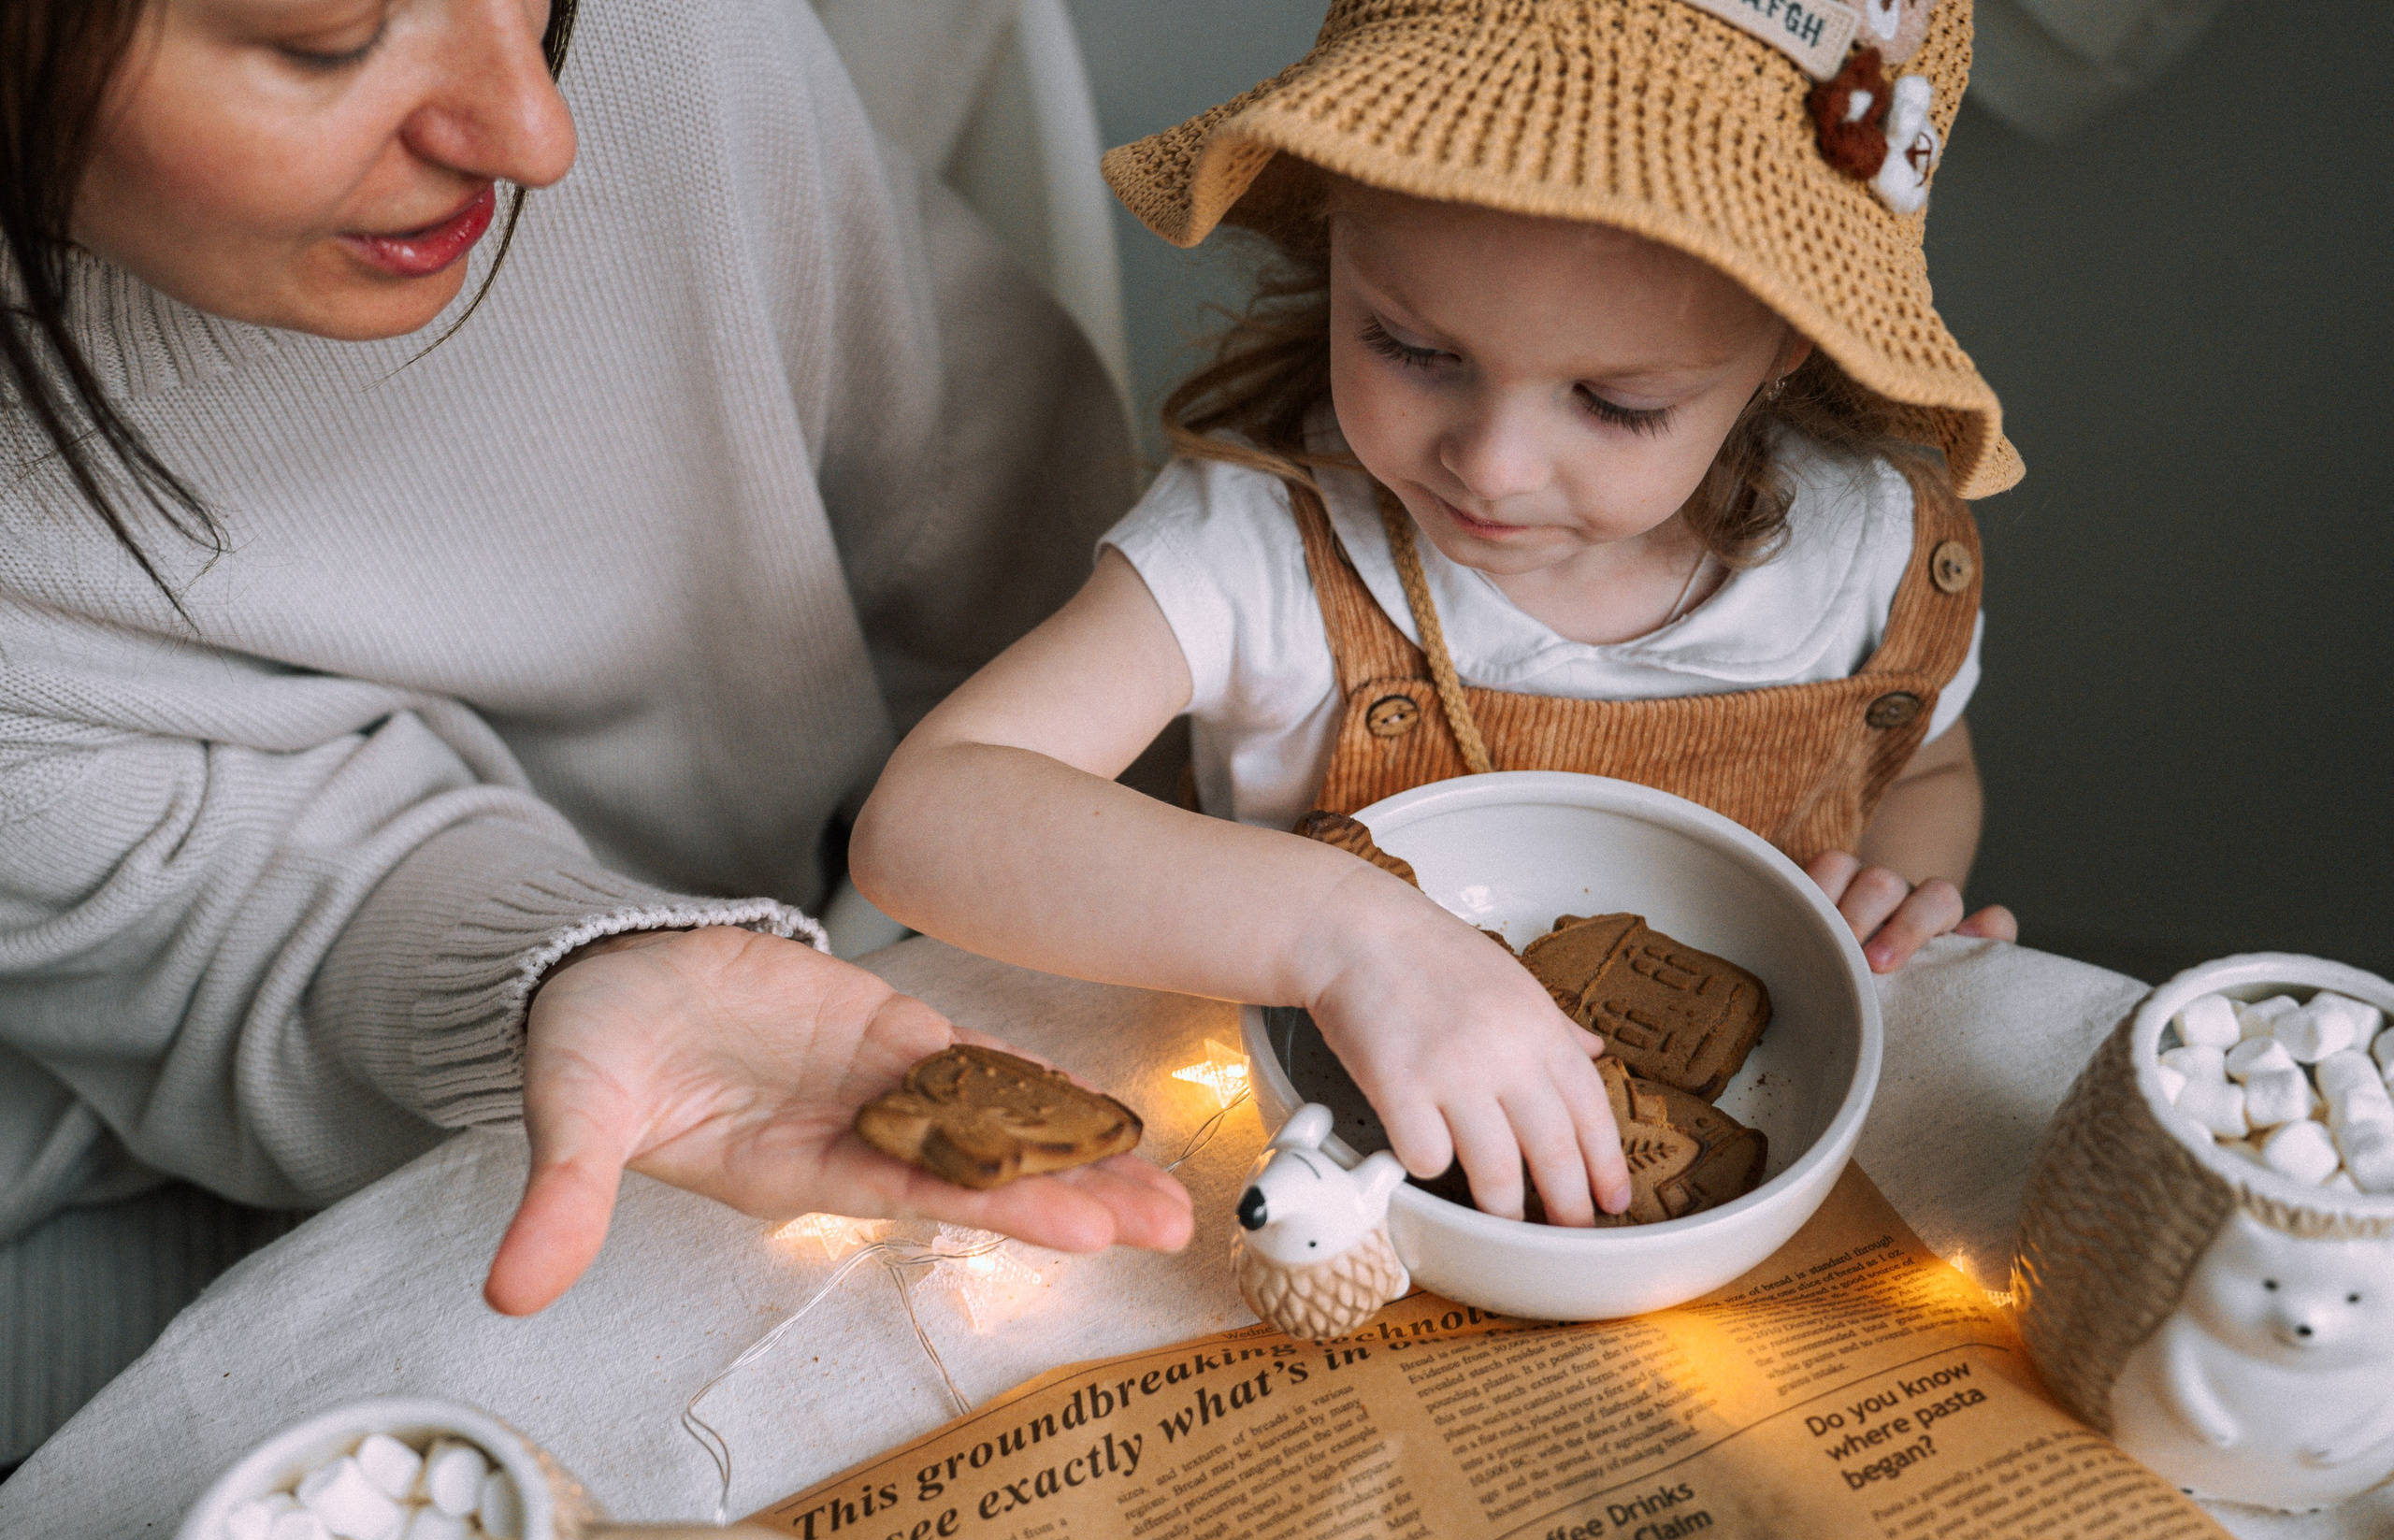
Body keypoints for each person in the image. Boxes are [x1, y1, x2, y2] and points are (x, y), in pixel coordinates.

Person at [0, 0, 1190, 1350]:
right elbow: (231, 921)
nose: (536, 133)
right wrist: (557, 968)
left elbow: (994, 529)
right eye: (331, 40)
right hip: (172, 1213)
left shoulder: (656, 41)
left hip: (860, 976)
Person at [852, 0, 2022, 1230]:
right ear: (1337, 227)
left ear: (1792, 342)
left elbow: (1929, 774)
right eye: (1410, 346)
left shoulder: (1878, 567)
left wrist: (1889, 903)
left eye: (1616, 405)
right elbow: (925, 820)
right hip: (1298, 1192)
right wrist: (1349, 938)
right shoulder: (1258, 543)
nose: (1494, 464)